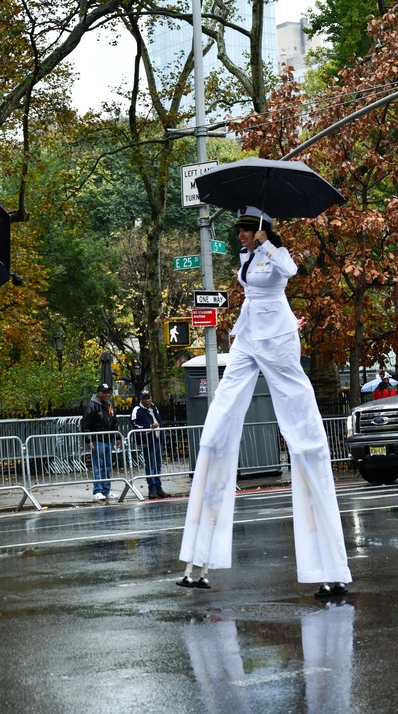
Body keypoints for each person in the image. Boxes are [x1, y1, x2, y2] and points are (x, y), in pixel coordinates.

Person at [178, 206, 351, 596]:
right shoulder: (247, 256)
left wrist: (266, 243)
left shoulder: (275, 252)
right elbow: (251, 288)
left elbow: (289, 273)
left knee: (304, 439)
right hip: (249, 337)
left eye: (244, 229)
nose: (238, 235)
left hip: (277, 338)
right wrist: (252, 250)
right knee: (215, 433)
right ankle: (198, 561)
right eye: (238, 229)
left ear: (259, 229)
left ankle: (331, 569)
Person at [81, 383, 122, 502]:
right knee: (98, 466)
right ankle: (97, 491)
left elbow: (114, 421)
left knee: (107, 465)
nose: (107, 394)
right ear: (99, 393)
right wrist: (89, 440)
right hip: (98, 440)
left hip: (108, 440)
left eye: (108, 392)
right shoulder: (92, 406)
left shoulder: (109, 405)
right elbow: (85, 424)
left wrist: (117, 437)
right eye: (104, 392)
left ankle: (106, 490)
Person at [131, 389, 169, 500]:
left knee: (158, 465)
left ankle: (158, 488)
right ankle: (152, 490)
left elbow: (160, 422)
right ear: (141, 399)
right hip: (147, 441)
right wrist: (149, 426)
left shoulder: (154, 408)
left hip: (157, 440)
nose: (147, 400)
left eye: (148, 397)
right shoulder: (137, 409)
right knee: (150, 465)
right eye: (144, 398)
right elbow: (135, 424)